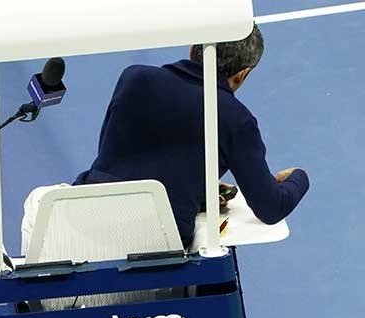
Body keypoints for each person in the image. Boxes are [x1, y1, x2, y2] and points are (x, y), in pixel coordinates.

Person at [73, 23, 309, 247]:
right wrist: (299, 178)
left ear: (193, 49)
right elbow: (271, 207)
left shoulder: (134, 77)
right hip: (155, 239)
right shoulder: (235, 119)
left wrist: (199, 191)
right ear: (242, 74)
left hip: (84, 217)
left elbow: (113, 155)